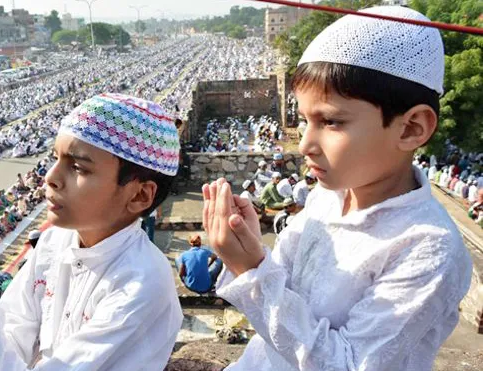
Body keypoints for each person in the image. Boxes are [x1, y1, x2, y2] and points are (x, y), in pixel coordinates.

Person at [200, 6, 472, 370]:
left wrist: (249, 270)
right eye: (303, 119)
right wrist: (252, 251)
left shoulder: (427, 248)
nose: (305, 144)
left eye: (330, 121)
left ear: (411, 128)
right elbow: (281, 289)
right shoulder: (327, 198)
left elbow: (346, 364)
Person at [0, 94, 183, 370]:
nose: (50, 177)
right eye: (55, 158)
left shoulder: (142, 285)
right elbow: (8, 337)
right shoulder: (55, 242)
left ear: (140, 195)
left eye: (77, 167)